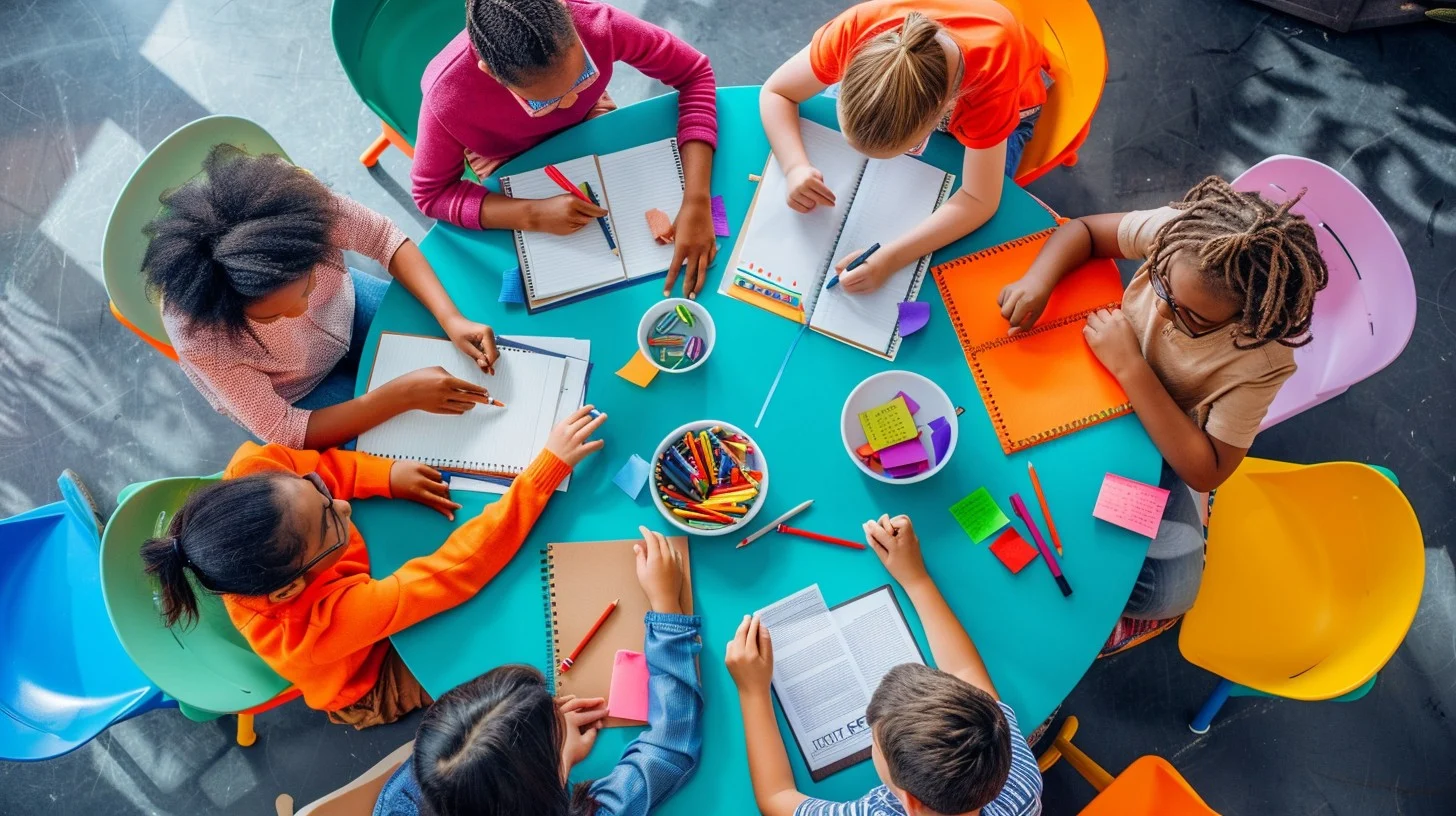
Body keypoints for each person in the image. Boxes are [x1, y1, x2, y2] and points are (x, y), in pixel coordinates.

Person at [998, 175, 1329, 651]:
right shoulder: (1182, 240)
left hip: (1158, 438)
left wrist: (1131, 366)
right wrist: (1037, 281)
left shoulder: (1261, 360)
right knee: (1026, 472)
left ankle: (1094, 600)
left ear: (1249, 320)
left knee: (1171, 591)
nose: (1168, 313)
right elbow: (1086, 232)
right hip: (1088, 375)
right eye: (1162, 287)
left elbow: (1206, 470)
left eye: (1194, 318)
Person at [139, 405, 607, 728]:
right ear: (289, 588)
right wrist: (544, 472)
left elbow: (325, 470)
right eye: (327, 524)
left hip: (366, 598)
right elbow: (454, 571)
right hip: (368, 681)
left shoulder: (255, 469)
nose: (341, 505)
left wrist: (383, 475)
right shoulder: (318, 627)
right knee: (492, 675)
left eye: (316, 489)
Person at [144, 144, 502, 450]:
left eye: (307, 285)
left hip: (350, 305)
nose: (301, 310)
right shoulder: (203, 337)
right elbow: (283, 428)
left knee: (453, 348)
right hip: (298, 392)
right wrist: (400, 397)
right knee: (406, 442)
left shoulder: (298, 210)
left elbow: (383, 239)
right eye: (271, 317)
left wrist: (450, 318)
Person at [726, 514, 1043, 816]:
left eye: (873, 740)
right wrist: (916, 578)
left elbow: (776, 799)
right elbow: (965, 674)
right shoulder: (1016, 775)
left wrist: (752, 691)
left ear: (908, 802)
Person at [373, 526, 701, 815]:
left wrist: (551, 751)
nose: (556, 705)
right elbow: (669, 748)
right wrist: (667, 610)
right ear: (547, 786)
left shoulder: (418, 789)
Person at [414, 0, 719, 297]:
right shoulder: (446, 97)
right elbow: (431, 194)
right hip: (507, 158)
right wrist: (531, 214)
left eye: (584, 77)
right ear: (491, 74)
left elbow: (695, 74)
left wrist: (695, 199)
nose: (570, 102)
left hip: (593, 123)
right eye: (543, 103)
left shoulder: (596, 24)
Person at [760, 0, 1050, 295]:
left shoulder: (989, 83)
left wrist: (891, 258)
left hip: (1012, 101)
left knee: (973, 241)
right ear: (849, 69)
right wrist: (794, 166)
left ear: (941, 115)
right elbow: (776, 91)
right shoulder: (857, 29)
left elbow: (980, 199)